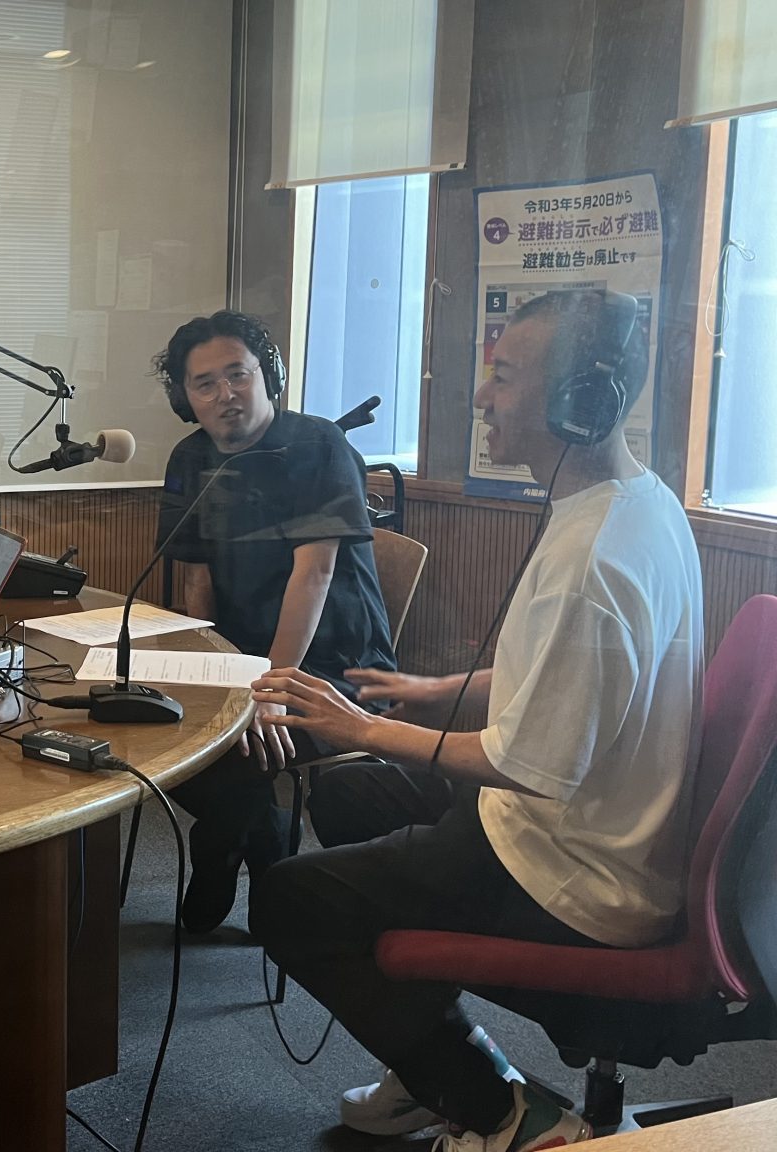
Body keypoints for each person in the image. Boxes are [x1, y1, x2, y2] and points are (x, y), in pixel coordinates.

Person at [251, 289, 703, 1150]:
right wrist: (435, 689)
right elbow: (568, 678)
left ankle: (508, 1114)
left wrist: (365, 728)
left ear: (580, 399)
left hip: (574, 877)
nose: (484, 396)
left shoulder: (593, 562)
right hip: (574, 830)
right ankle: (434, 1062)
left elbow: (528, 762)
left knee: (288, 902)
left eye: (507, 375)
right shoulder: (636, 503)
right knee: (348, 798)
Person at [152, 309, 396, 937]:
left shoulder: (319, 446)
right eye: (205, 383)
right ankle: (264, 841)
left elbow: (313, 575)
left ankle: (220, 855)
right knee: (156, 730)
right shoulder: (190, 458)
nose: (225, 393)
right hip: (239, 655)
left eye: (238, 374)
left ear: (269, 375)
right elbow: (197, 583)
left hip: (333, 663)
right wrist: (207, 672)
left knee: (237, 755)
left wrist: (269, 688)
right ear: (185, 398)